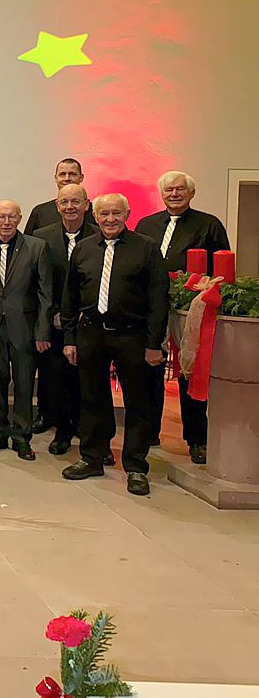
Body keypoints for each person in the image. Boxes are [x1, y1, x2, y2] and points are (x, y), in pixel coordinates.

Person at [61, 194, 168, 496]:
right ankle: (92, 457)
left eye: (116, 213)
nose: (110, 219)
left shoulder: (146, 248)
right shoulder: (83, 248)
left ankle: (135, 467)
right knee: (92, 397)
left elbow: (158, 298)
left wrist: (154, 343)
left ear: (128, 214)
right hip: (91, 333)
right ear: (95, 216)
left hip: (132, 335)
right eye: (104, 214)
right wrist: (69, 338)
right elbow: (69, 297)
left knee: (138, 401)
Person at [135, 171, 230, 464]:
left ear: (191, 193)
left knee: (190, 374)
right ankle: (148, 432)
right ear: (161, 194)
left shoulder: (209, 224)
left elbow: (221, 269)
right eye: (169, 190)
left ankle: (197, 439)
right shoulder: (146, 224)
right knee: (149, 371)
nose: (174, 194)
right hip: (150, 309)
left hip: (190, 310)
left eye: (180, 189)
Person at [0, 200, 53, 461]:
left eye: (12, 216)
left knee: (24, 384)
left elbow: (45, 294)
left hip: (25, 328)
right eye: (1, 217)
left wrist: (43, 332)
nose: (6, 222)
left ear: (20, 218)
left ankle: (22, 437)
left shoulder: (37, 248)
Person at [33, 184, 98, 454]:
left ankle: (90, 434)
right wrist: (54, 314)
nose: (70, 207)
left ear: (86, 205)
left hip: (90, 321)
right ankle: (62, 432)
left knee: (88, 381)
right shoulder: (41, 237)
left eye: (76, 202)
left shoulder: (99, 236)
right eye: (64, 202)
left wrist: (81, 313)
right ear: (57, 206)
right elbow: (38, 282)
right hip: (54, 321)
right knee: (56, 379)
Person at [24, 158, 90, 234]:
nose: (67, 178)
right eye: (62, 174)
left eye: (72, 174)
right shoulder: (40, 212)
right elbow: (29, 240)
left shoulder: (95, 211)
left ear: (81, 178)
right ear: (56, 178)